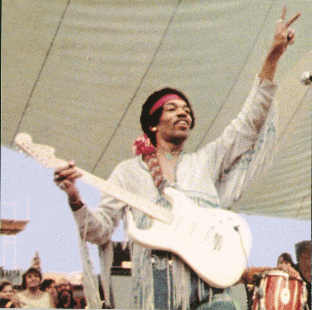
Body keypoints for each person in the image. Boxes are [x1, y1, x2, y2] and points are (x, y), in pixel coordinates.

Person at [54, 7, 300, 310]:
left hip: (211, 288)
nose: (183, 111)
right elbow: (100, 230)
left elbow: (250, 121)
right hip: (157, 294)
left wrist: (273, 55)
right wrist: (75, 197)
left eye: (186, 109)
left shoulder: (205, 160)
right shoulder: (128, 173)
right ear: (154, 124)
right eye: (172, 108)